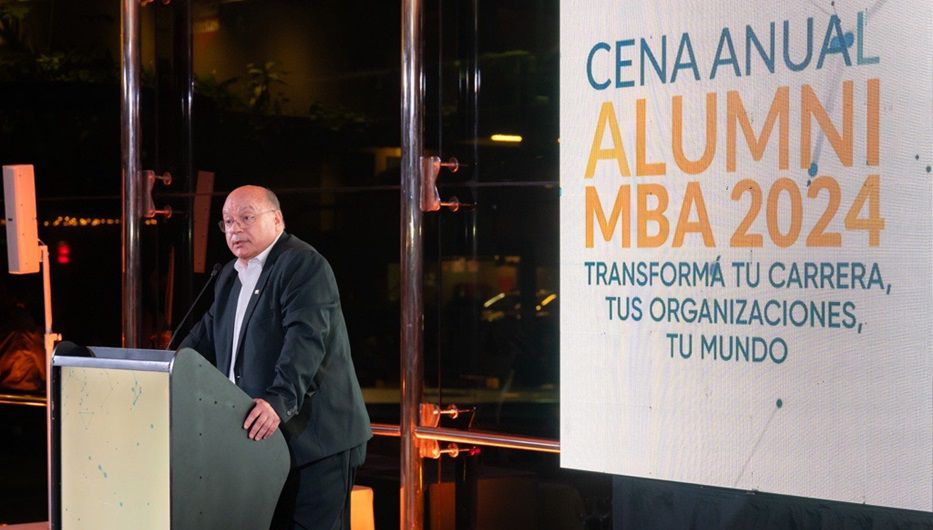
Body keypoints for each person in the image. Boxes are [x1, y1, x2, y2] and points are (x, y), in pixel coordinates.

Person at [179, 185, 371, 529]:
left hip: (316, 442)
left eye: (246, 218)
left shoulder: (302, 264)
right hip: (262, 445)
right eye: (227, 222)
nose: (235, 228)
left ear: (277, 219)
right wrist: (165, 370)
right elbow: (203, 339)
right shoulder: (229, 275)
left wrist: (278, 399)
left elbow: (306, 340)